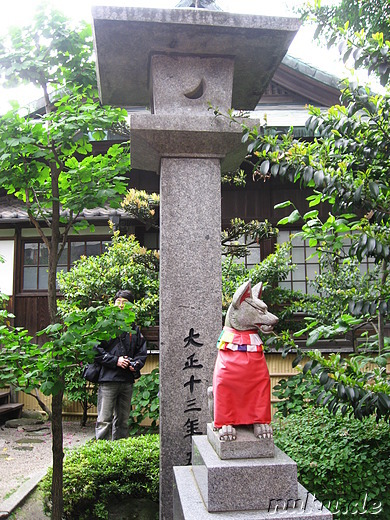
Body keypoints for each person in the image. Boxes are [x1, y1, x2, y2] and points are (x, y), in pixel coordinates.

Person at [94, 290, 147, 440]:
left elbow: (141, 353)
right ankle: (101, 452)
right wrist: (115, 360)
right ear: (113, 304)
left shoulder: (134, 329)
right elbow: (95, 350)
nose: (121, 305)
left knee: (123, 421)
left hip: (126, 380)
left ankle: (119, 452)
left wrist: (135, 364)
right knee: (104, 420)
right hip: (108, 379)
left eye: (125, 302)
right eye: (118, 302)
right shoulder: (105, 326)